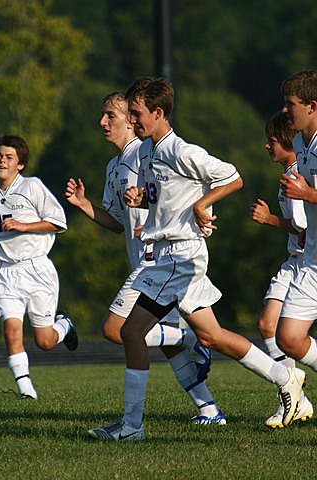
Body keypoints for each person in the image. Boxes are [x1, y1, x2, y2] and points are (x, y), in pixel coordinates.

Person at [86, 77, 306, 441]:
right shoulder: (149, 151)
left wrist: (203, 205)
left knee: (128, 331)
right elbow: (167, 196)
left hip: (179, 256)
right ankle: (286, 378)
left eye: (137, 113)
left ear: (158, 113)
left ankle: (131, 427)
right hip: (171, 255)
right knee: (213, 336)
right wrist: (144, 198)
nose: (133, 120)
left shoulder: (180, 150)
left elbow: (232, 177)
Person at [65, 92, 226, 426]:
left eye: (111, 115)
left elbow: (189, 186)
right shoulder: (114, 166)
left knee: (116, 329)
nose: (103, 122)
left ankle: (188, 340)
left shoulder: (146, 151)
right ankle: (209, 410)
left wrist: (196, 213)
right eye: (103, 115)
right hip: (146, 260)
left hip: (157, 259)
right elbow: (117, 221)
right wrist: (84, 205)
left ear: (130, 118)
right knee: (165, 342)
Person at [0, 135, 78, 399]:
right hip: (5, 272)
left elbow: (58, 222)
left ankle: (64, 325)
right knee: (11, 330)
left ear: (20, 164)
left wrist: (24, 225)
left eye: (8, 157)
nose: (1, 160)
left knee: (44, 341)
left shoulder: (32, 186)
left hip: (36, 270)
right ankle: (26, 390)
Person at [250, 111, 313, 428]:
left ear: (288, 144)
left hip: (303, 261)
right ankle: (294, 397)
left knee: (277, 329)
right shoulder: (291, 172)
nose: (266, 146)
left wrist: (269, 219)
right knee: (266, 324)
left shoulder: (295, 176)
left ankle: (292, 397)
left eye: (272, 140)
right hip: (295, 261)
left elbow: (302, 228)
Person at [271, 70, 317, 390]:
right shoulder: (300, 141)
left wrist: (307, 194)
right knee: (287, 336)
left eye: (291, 104)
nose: (285, 111)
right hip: (312, 259)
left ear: (312, 106)